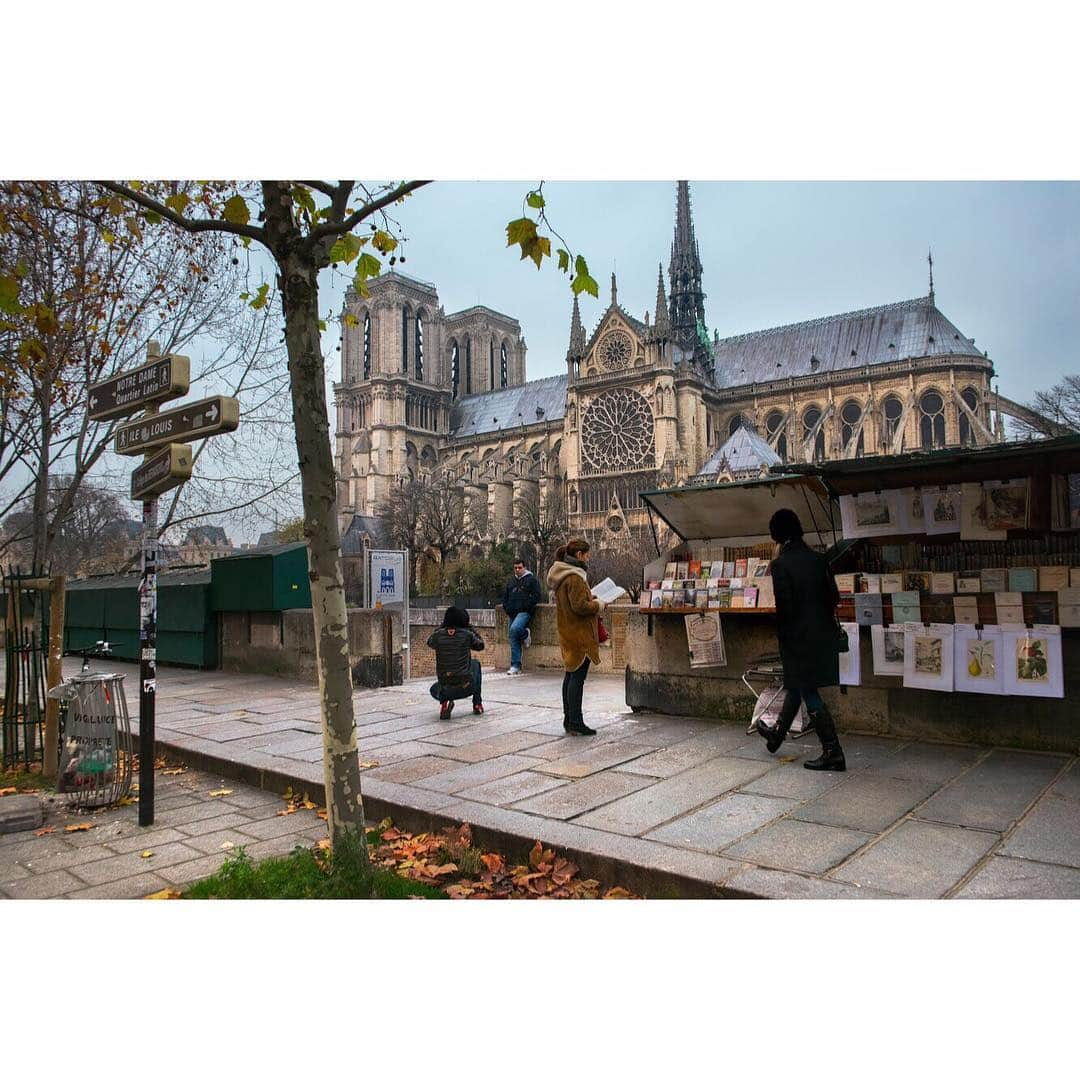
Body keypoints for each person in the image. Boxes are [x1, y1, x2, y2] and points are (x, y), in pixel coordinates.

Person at [754, 508, 846, 770]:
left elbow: (786, 608)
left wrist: (785, 639)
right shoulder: (819, 560)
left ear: (778, 536)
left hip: (798, 638)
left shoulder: (781, 565)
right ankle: (776, 736)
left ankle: (833, 751)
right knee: (796, 685)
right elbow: (834, 598)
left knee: (807, 690)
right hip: (823, 634)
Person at [546, 538, 605, 736]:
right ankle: (576, 721)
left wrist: (590, 598)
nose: (589, 557)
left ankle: (569, 720)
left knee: (570, 676)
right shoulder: (575, 577)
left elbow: (573, 602)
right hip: (579, 634)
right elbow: (580, 607)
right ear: (579, 555)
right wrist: (598, 605)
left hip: (567, 631)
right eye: (587, 554)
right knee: (577, 679)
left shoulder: (562, 575)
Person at [427, 606, 485, 720]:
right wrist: (470, 628)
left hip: (445, 690)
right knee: (476, 664)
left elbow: (429, 642)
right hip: (466, 687)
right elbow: (481, 645)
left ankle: (444, 702)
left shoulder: (438, 636)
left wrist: (443, 627)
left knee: (434, 689)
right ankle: (477, 704)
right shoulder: (467, 635)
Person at [502, 556, 541, 675]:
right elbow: (505, 597)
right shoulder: (511, 581)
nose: (517, 570)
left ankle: (525, 634)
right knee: (513, 638)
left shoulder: (531, 580)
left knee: (515, 629)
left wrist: (526, 606)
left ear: (524, 567)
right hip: (512, 612)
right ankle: (515, 665)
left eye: (520, 567)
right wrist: (507, 608)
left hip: (524, 612)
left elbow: (536, 596)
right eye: (515, 568)